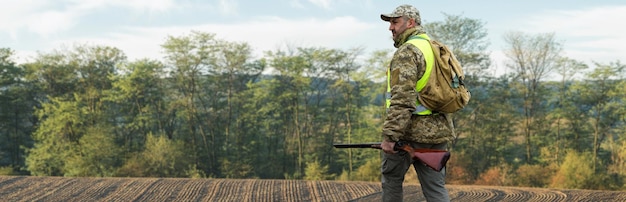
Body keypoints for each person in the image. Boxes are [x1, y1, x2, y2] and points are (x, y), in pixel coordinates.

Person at [379, 4, 455, 202]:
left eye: (395, 22)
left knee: (392, 181)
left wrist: (390, 136)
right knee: (436, 189)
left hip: (408, 133)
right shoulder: (435, 47)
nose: (390, 28)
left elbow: (402, 99)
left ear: (410, 23)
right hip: (438, 131)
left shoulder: (408, 51)